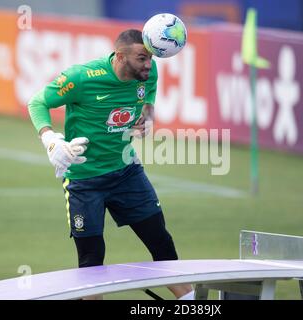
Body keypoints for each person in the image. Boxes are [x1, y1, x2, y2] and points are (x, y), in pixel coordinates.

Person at [27, 29, 194, 300]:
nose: (148, 65)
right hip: (84, 182)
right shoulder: (81, 78)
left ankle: (190, 303)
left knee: (162, 243)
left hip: (127, 173)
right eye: (142, 58)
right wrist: (51, 140)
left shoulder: (147, 73)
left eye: (151, 58)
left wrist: (148, 115)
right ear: (119, 56)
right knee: (91, 263)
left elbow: (148, 94)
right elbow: (37, 102)